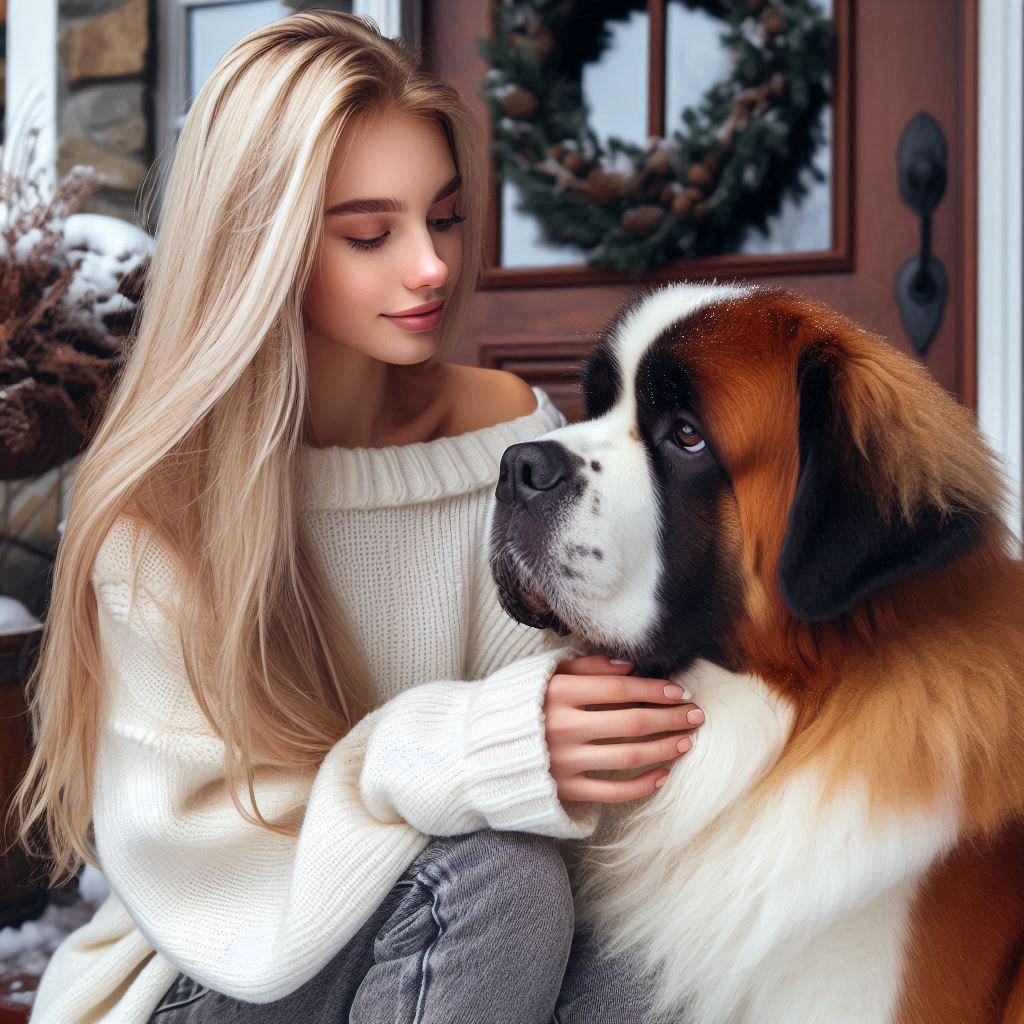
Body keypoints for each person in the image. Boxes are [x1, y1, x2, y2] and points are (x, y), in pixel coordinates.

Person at [11, 12, 704, 1023]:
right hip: (219, 967)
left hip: (478, 954)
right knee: (491, 875)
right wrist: (468, 752)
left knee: (657, 954)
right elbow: (207, 871)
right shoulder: (158, 511)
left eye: (447, 218)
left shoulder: (510, 441)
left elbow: (568, 761)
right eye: (370, 233)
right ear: (264, 245)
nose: (428, 267)